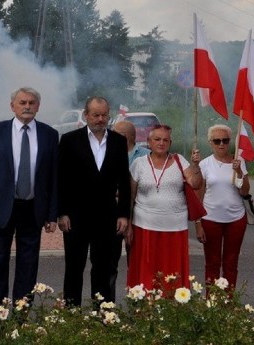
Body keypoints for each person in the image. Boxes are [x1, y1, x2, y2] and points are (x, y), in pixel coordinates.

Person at [0, 87, 58, 322]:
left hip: (33, 208)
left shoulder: (49, 134)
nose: (27, 106)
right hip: (1, 208)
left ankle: (21, 316)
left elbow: (54, 177)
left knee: (28, 265)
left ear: (38, 106)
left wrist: (52, 214)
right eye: (22, 102)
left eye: (32, 102)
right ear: (12, 106)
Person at [58, 97, 131, 307]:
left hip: (107, 217)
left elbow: (123, 181)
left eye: (104, 115)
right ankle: (72, 314)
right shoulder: (69, 140)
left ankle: (103, 313)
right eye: (96, 115)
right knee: (74, 267)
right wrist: (62, 212)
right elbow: (61, 178)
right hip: (75, 217)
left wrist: (123, 214)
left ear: (109, 115)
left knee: (103, 267)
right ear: (85, 115)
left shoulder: (118, 141)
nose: (100, 119)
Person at [127, 124, 202, 293]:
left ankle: (172, 310)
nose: (161, 143)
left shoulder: (180, 160)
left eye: (165, 140)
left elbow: (196, 184)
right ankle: (145, 307)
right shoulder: (139, 164)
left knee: (172, 271)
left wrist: (195, 166)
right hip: (144, 226)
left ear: (170, 142)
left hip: (175, 227)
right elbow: (130, 197)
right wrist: (129, 225)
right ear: (148, 142)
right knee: (146, 270)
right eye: (157, 139)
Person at [195, 124, 250, 289]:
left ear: (230, 141)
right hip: (210, 218)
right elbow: (199, 195)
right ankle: (211, 302)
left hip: (236, 218)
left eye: (225, 140)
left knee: (231, 262)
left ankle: (228, 301)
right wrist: (198, 224)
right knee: (212, 262)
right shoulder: (204, 165)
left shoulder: (238, 163)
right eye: (217, 140)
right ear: (210, 142)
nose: (221, 144)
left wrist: (240, 172)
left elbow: (245, 191)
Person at [109, 119, 148, 295]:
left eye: (117, 132)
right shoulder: (108, 152)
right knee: (110, 262)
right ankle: (108, 304)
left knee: (137, 260)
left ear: (128, 136)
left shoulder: (146, 155)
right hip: (114, 213)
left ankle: (137, 298)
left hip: (139, 215)